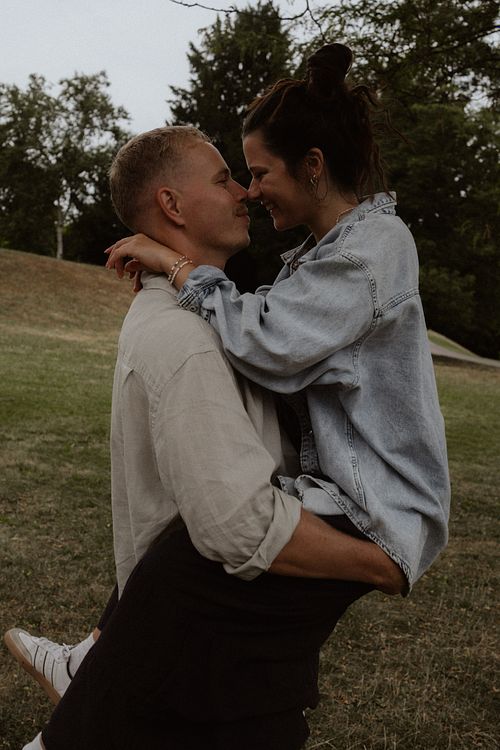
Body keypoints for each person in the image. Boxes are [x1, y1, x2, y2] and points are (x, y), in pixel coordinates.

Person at [13, 124, 404, 750]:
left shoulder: (210, 317)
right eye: (224, 180)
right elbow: (238, 525)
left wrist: (176, 266)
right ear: (171, 205)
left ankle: (88, 668)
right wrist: (380, 563)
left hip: (227, 658)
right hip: (208, 652)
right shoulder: (184, 341)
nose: (244, 192)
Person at [106, 42, 450, 593]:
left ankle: (105, 645)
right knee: (193, 541)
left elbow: (266, 338)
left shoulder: (371, 250)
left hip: (375, 504)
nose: (250, 191)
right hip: (341, 492)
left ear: (312, 167)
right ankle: (104, 640)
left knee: (209, 547)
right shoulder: (323, 259)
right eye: (237, 178)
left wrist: (175, 265)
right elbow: (266, 320)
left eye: (259, 173)